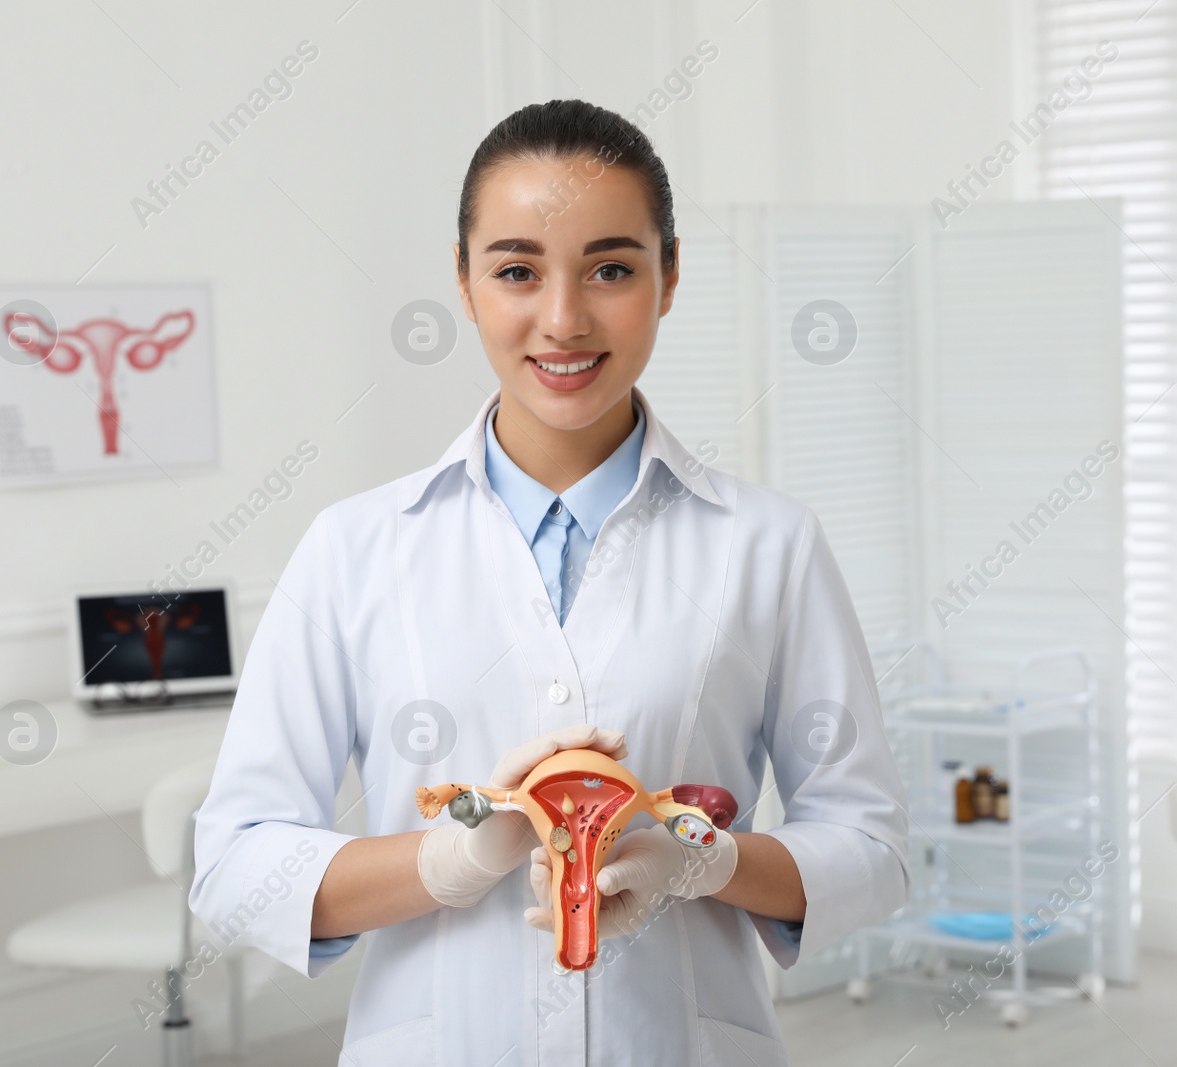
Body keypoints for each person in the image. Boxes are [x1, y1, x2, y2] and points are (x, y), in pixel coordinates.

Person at [189, 98, 910, 1066]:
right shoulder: (356, 546)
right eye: (517, 270)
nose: (563, 319)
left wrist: (705, 858)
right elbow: (236, 866)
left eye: (611, 268)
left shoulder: (768, 543)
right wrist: (449, 858)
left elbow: (871, 851)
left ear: (669, 276)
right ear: (464, 279)